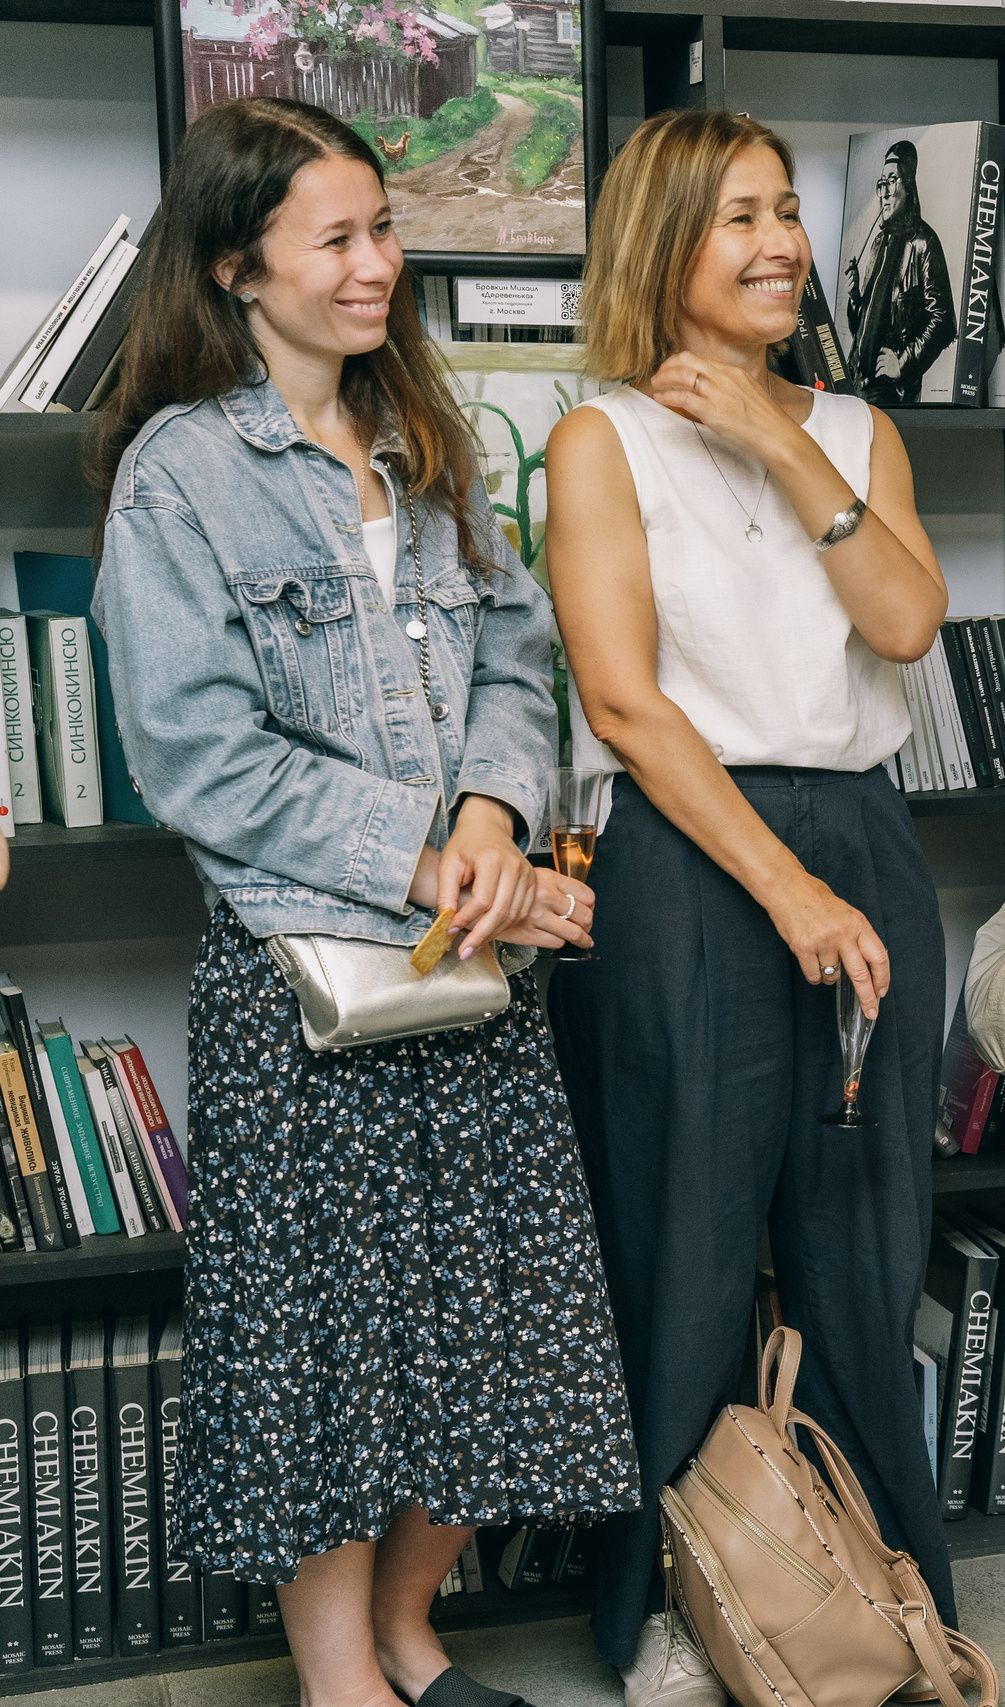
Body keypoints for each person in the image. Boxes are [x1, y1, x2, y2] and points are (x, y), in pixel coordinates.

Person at [86, 96, 632, 1707]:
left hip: (465, 963)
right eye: (339, 238)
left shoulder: (423, 438)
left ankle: (409, 1625)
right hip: (303, 979)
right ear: (236, 266)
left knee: (493, 1335)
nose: (379, 262)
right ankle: (343, 1676)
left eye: (383, 226)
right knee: (325, 1360)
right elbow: (194, 756)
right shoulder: (179, 479)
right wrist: (428, 848)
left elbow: (519, 652)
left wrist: (488, 810)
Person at [543, 109, 958, 1705]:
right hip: (690, 862)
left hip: (862, 834)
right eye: (739, 218)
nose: (781, 240)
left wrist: (789, 441)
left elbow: (911, 621)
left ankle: (872, 1578)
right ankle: (667, 1604)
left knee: (863, 1236)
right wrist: (780, 887)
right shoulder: (602, 440)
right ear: (665, 243)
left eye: (789, 211)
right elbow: (627, 706)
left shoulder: (851, 431)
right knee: (686, 1239)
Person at [843, 139, 955, 407]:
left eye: (892, 181)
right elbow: (866, 326)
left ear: (909, 184)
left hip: (892, 391)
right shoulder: (880, 242)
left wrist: (902, 363)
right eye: (881, 183)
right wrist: (855, 297)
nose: (884, 192)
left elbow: (943, 322)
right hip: (856, 381)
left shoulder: (924, 243)